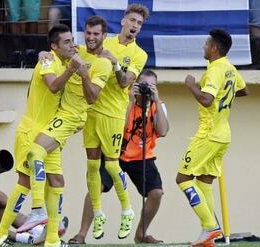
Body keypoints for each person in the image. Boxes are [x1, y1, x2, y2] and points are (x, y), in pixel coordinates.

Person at [16, 15, 112, 247]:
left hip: (77, 120)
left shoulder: (104, 62)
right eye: (88, 33)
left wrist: (84, 72)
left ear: (104, 36)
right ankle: (48, 234)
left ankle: (41, 213)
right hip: (56, 121)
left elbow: (91, 98)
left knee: (38, 157)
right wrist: (44, 56)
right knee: (55, 179)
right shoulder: (75, 51)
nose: (90, 38)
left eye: (96, 34)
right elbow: (56, 53)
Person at [0, 24, 80, 247]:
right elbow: (52, 86)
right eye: (66, 42)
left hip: (50, 133)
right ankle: (1, 235)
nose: (72, 45)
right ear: (54, 46)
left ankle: (51, 239)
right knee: (25, 182)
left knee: (57, 180)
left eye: (72, 40)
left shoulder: (65, 62)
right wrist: (70, 70)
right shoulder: (48, 61)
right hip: (31, 132)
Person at [69, 69, 169, 244]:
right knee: (96, 186)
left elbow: (163, 131)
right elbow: (119, 128)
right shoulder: (124, 100)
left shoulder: (158, 106)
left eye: (151, 86)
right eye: (143, 85)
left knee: (156, 193)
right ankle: (82, 234)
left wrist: (156, 100)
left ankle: (141, 234)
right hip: (114, 153)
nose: (146, 89)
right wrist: (130, 102)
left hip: (141, 157)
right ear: (134, 84)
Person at [175, 29, 248, 247]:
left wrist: (191, 86)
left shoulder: (216, 70)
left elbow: (206, 100)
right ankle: (209, 234)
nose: (204, 47)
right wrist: (226, 94)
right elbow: (244, 91)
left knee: (183, 179)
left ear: (214, 48)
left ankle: (210, 226)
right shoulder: (230, 68)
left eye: (206, 43)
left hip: (208, 133)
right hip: (223, 134)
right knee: (205, 182)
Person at [83, 3, 149, 240]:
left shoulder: (140, 54)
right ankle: (98, 213)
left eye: (139, 24)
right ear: (123, 21)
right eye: (132, 21)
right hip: (92, 112)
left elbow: (124, 82)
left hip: (113, 114)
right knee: (91, 166)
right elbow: (82, 57)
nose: (135, 26)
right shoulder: (105, 43)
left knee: (111, 165)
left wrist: (115, 63)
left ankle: (127, 210)